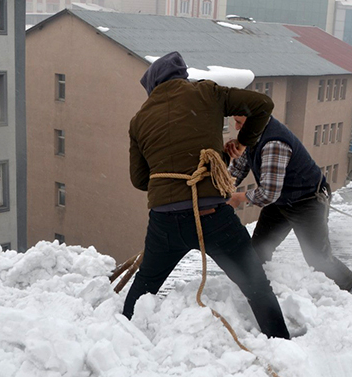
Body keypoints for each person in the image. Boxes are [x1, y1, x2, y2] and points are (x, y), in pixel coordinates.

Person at [124, 52, 291, 339]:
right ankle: (281, 344)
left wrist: (170, 174)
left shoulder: (139, 119)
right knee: (256, 286)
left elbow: (140, 180)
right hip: (212, 217)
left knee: (145, 285)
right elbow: (263, 105)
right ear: (182, 76)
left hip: (164, 223)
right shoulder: (206, 92)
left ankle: (121, 335)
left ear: (152, 85)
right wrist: (242, 143)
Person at [225, 115, 352, 300]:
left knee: (318, 259)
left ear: (255, 121)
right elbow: (237, 170)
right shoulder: (252, 135)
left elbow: (268, 194)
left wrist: (238, 198)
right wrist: (221, 190)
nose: (236, 128)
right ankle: (259, 292)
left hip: (307, 201)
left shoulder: (274, 143)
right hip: (280, 200)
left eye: (240, 123)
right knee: (259, 250)